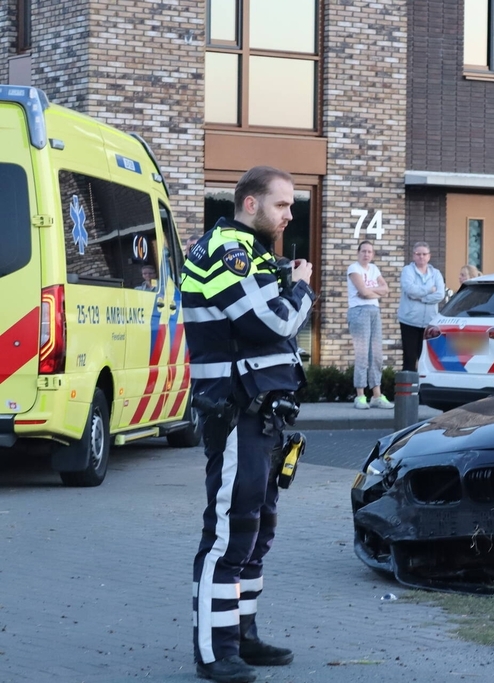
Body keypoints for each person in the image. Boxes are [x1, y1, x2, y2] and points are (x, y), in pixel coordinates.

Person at [181, 166, 315, 683]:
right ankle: (215, 652)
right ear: (251, 203)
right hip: (237, 411)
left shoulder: (253, 254)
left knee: (258, 529)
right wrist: (300, 286)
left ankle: (243, 636)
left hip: (262, 416)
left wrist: (283, 277)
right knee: (230, 533)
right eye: (282, 206)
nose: (289, 216)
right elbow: (268, 324)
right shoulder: (227, 250)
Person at [347, 240, 392, 409]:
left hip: (374, 311)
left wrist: (370, 292)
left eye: (369, 251)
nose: (366, 254)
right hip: (359, 311)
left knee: (376, 355)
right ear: (358, 253)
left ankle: (377, 395)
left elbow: (385, 289)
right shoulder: (353, 268)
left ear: (373, 254)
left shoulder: (374, 269)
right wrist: (372, 292)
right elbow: (363, 292)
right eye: (363, 251)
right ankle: (360, 396)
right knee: (362, 354)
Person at [397, 242, 445, 372]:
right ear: (413, 256)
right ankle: (408, 390)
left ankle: (422, 390)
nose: (421, 257)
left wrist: (421, 297)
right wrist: (430, 290)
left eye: (424, 254)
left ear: (429, 256)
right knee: (410, 358)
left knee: (426, 359)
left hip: (429, 323)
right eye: (418, 254)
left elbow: (440, 294)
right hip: (409, 321)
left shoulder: (436, 273)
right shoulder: (408, 270)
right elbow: (410, 289)